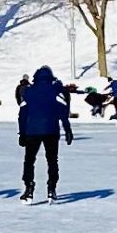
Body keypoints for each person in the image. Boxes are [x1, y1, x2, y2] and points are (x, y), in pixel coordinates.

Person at [17, 65, 72, 202]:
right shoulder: (56, 91)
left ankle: (29, 189)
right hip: (51, 131)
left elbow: (22, 114)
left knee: (29, 161)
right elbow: (63, 113)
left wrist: (22, 133)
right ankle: (51, 189)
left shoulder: (28, 92)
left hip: (32, 131)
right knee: (52, 160)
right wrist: (68, 129)